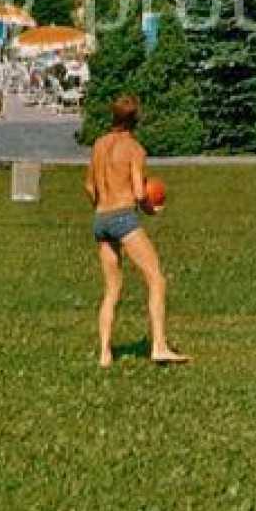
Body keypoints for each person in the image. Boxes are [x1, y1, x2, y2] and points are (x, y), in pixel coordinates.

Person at [85, 96, 188, 368]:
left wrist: (102, 209)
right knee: (156, 279)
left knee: (112, 289)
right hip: (123, 218)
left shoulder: (99, 144)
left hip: (100, 218)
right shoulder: (134, 148)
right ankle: (159, 346)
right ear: (136, 120)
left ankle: (105, 354)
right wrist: (151, 210)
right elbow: (140, 193)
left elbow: (89, 187)